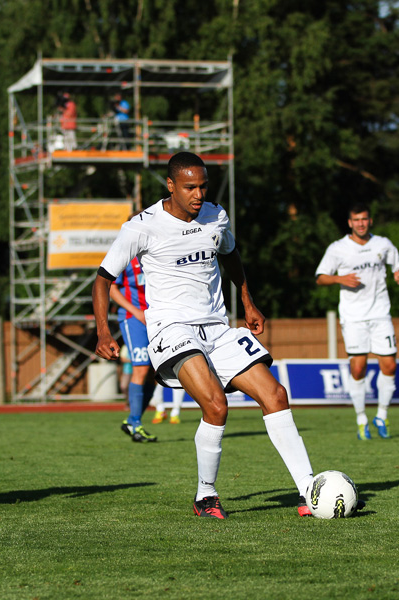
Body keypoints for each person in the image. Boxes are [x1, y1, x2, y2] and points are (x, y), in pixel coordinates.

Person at [93, 152, 316, 519]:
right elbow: (103, 278)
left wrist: (248, 303)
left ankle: (310, 490)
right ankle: (205, 496)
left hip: (217, 327)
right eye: (190, 187)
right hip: (171, 329)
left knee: (275, 395)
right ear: (171, 186)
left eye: (203, 186)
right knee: (216, 404)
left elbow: (230, 254)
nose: (198, 194)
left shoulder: (216, 215)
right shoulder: (142, 226)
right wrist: (103, 331)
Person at [315, 203, 399, 440]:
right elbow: (320, 277)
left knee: (390, 366)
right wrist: (339, 279)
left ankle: (382, 415)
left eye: (364, 219)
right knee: (358, 368)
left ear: (370, 221)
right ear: (350, 223)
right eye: (357, 220)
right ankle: (361, 419)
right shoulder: (338, 249)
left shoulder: (383, 244)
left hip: (380, 313)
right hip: (353, 316)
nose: (361, 223)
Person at [109, 256, 158, 442]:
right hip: (133, 318)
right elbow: (112, 289)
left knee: (156, 374)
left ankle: (132, 421)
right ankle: (136, 424)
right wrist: (137, 312)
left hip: (157, 318)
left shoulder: (157, 251)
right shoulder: (125, 256)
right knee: (141, 367)